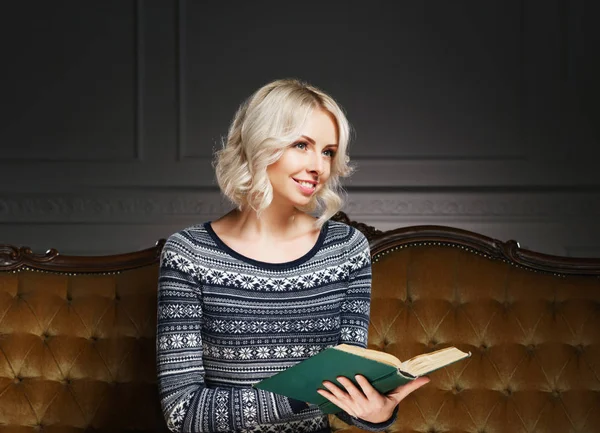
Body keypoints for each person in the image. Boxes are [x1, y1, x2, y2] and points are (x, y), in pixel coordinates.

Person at [156, 78, 429, 433]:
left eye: (328, 151)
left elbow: (346, 392)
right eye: (302, 145)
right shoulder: (189, 254)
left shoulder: (346, 249)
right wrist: (307, 393)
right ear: (259, 145)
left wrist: (376, 413)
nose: (319, 166)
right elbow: (183, 411)